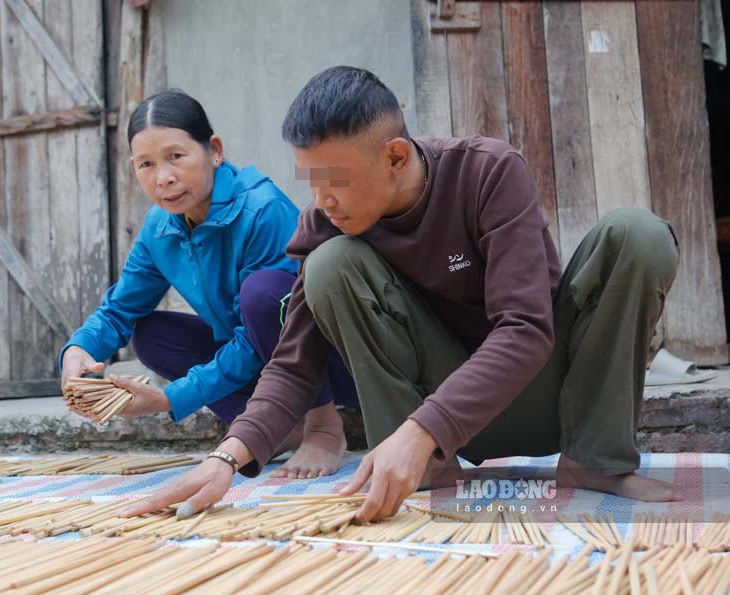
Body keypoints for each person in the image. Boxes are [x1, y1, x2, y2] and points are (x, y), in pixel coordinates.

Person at [119, 66, 683, 523]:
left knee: (639, 234)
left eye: (333, 178)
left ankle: (596, 462)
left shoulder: (487, 172)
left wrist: (422, 430)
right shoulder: (326, 222)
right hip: (428, 439)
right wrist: (228, 459)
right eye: (309, 179)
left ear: (393, 157)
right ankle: (425, 473)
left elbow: (526, 328)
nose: (321, 199)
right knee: (331, 265)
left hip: (545, 394)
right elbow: (292, 364)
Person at [59, 89, 356, 477]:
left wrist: (169, 398)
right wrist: (79, 348)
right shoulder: (160, 228)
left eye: (176, 157)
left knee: (264, 295)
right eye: (145, 165)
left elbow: (263, 333)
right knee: (150, 334)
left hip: (325, 359)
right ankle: (277, 427)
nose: (163, 178)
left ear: (214, 150)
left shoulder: (261, 209)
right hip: (260, 357)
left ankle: (323, 427)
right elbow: (120, 310)